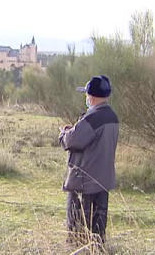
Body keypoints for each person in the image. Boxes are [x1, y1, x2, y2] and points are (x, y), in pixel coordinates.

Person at [58, 75, 119, 244]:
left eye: (86, 95)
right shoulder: (112, 117)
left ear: (91, 98)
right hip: (103, 181)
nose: (86, 98)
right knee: (97, 233)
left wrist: (64, 133)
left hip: (84, 182)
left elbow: (72, 141)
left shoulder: (92, 118)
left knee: (77, 232)